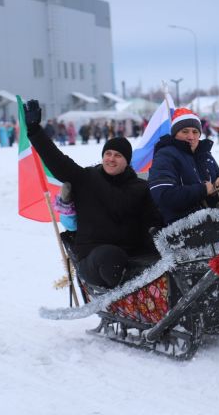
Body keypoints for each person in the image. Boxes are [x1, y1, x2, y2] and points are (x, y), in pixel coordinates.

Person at [23, 99, 163, 288]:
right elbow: (56, 160)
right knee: (111, 257)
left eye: (118, 155)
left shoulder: (140, 187)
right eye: (108, 154)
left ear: (127, 161)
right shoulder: (85, 178)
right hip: (94, 257)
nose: (111, 159)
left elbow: (153, 220)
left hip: (133, 254)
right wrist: (35, 131)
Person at [148, 107, 219, 225]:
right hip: (180, 228)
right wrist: (203, 190)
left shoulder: (205, 154)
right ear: (175, 134)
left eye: (195, 132)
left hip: (213, 222)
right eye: (185, 131)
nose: (191, 136)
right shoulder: (165, 155)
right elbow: (164, 196)